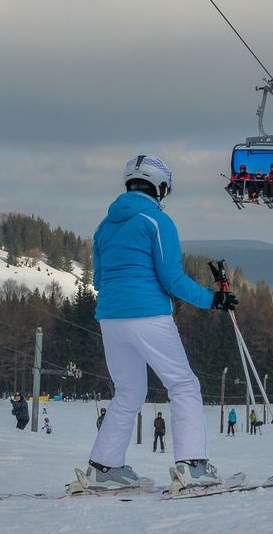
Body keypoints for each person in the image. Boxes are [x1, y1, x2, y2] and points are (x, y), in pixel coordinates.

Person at [82, 155, 238, 491]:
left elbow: (98, 280)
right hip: (148, 315)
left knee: (128, 392)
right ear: (160, 186)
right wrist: (213, 299)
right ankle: (193, 467)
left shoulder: (103, 227)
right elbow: (172, 278)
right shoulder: (157, 221)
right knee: (183, 385)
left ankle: (103, 468)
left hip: (110, 317)